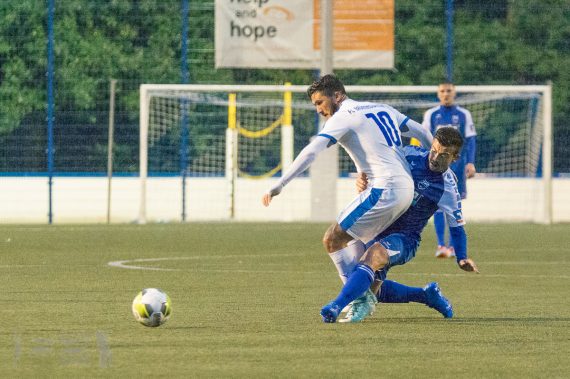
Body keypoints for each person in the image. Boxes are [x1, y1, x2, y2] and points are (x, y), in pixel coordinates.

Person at [262, 74, 433, 312]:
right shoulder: (381, 108)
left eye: (320, 102)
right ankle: (421, 294)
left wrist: (280, 183)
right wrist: (434, 170)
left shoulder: (343, 115)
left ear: (338, 95)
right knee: (362, 255)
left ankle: (357, 301)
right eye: (315, 105)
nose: (319, 110)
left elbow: (312, 151)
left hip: (385, 189)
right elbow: (422, 133)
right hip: (404, 187)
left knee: (333, 239)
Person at [320, 127, 479, 323]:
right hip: (374, 225)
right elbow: (377, 167)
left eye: (443, 155)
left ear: (454, 157)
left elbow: (456, 226)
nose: (435, 158)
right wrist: (363, 177)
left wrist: (462, 258)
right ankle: (425, 295)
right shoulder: (408, 154)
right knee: (366, 285)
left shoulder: (447, 186)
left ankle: (336, 306)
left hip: (404, 238)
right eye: (434, 150)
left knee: (372, 258)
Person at [422, 82, 477, 258]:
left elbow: (471, 140)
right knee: (437, 203)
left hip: (458, 167)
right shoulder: (431, 115)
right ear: (438, 94)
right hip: (437, 167)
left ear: (454, 93)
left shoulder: (463, 115)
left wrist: (470, 163)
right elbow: (424, 138)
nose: (446, 94)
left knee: (455, 205)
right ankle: (441, 246)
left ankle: (453, 247)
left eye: (449, 91)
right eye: (443, 91)